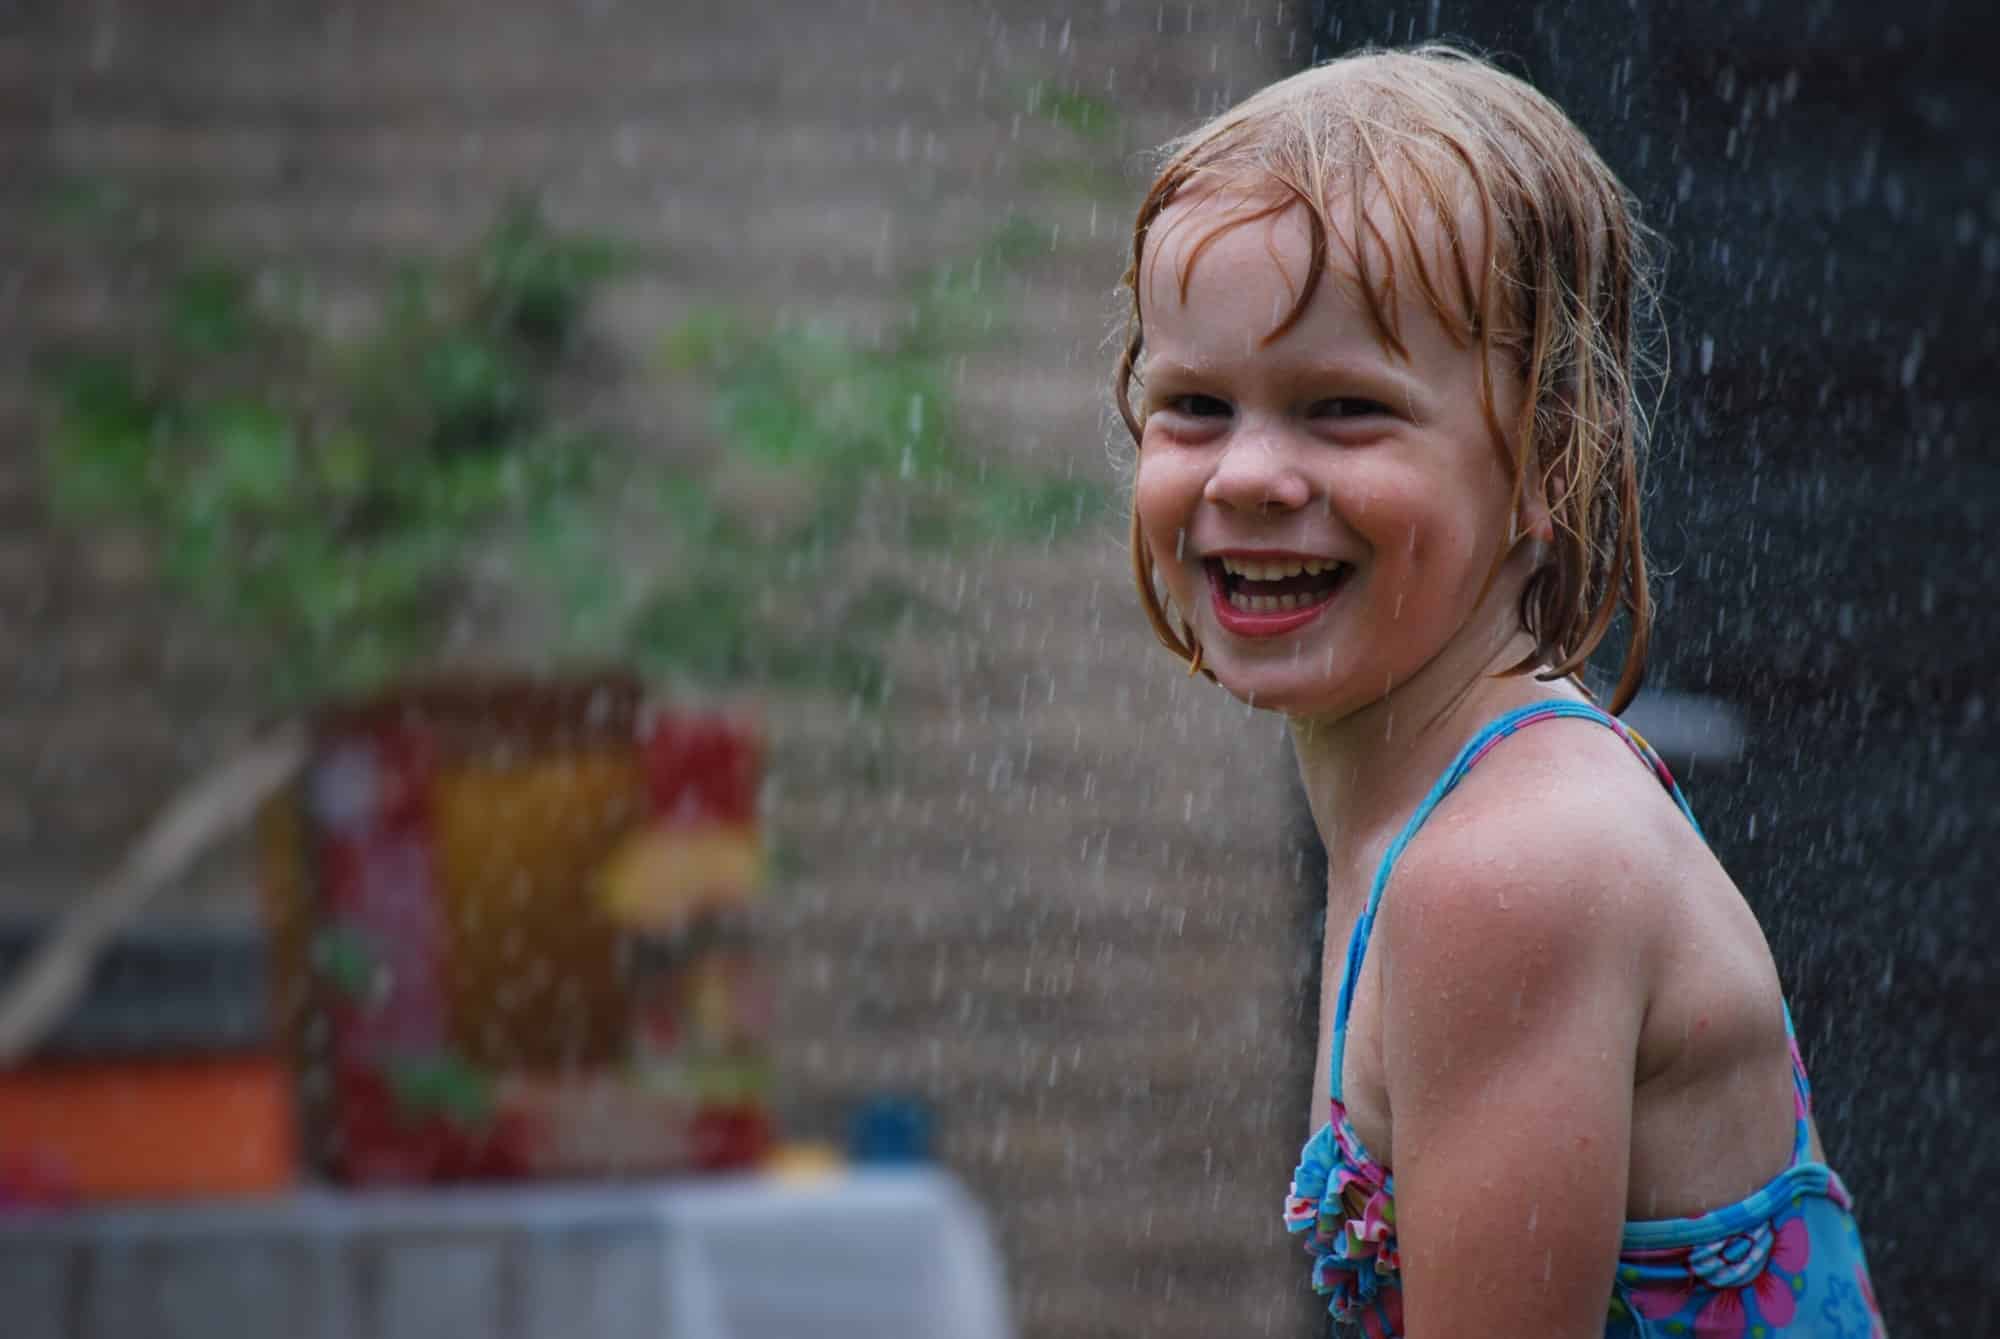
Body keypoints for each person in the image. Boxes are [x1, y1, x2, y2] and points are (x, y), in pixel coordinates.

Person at [1114, 45, 1885, 1339]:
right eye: (1193, 405)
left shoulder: (1511, 870)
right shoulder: (1433, 802)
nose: (1245, 473)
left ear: (1548, 457)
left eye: (1344, 409)